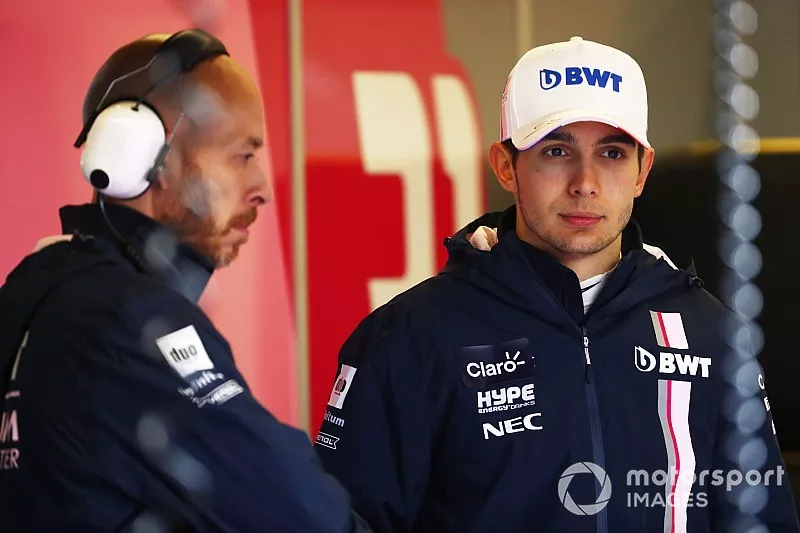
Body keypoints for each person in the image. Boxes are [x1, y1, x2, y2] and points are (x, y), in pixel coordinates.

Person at [314, 36, 800, 532]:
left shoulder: (710, 333)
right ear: (506, 166)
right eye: (556, 150)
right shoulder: (409, 337)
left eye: (612, 153)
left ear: (642, 171)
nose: (585, 182)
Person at [0, 29, 370, 533]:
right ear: (149, 158)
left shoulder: (34, 292)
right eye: (242, 156)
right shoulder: (130, 321)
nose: (261, 188)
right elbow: (301, 514)